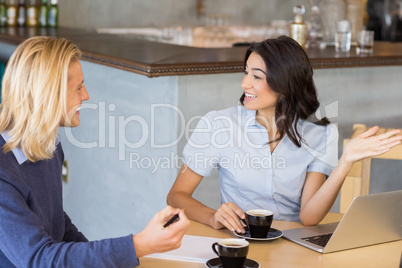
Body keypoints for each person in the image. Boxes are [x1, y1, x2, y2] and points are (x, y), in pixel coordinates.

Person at [167, 36, 402, 234]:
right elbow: (177, 196)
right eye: (246, 72)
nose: (244, 83)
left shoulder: (320, 134)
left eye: (256, 76)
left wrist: (345, 161)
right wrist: (213, 217)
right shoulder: (219, 124)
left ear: (285, 82)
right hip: (240, 240)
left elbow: (309, 217)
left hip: (291, 242)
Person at [0, 36, 189, 267]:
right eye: (78, 88)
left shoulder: (47, 144)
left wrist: (114, 258)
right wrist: (138, 245)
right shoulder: (3, 173)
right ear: (49, 94)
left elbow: (56, 223)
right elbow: (39, 260)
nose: (86, 95)